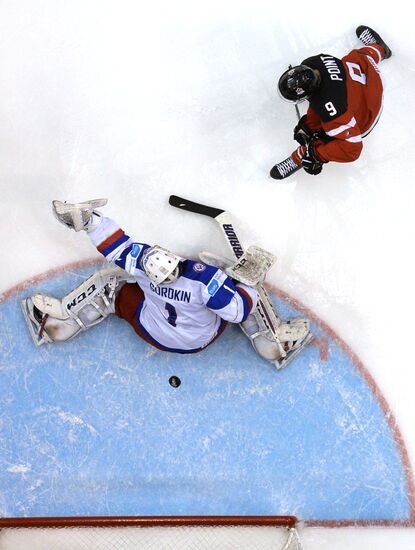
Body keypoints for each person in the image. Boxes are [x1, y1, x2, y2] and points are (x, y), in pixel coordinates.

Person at [21, 199, 311, 367]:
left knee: (110, 282)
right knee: (244, 296)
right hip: (199, 339)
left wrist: (89, 221)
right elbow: (237, 313)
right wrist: (248, 282)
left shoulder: (143, 266)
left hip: (153, 330)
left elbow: (115, 246)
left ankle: (57, 323)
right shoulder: (204, 279)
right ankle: (273, 343)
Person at [270, 25, 392, 180]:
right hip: (367, 75)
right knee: (356, 57)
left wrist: (317, 155)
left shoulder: (334, 111)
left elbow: (352, 149)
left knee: (326, 138)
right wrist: (308, 126)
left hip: (367, 109)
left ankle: (300, 157)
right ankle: (379, 48)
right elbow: (320, 99)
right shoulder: (315, 63)